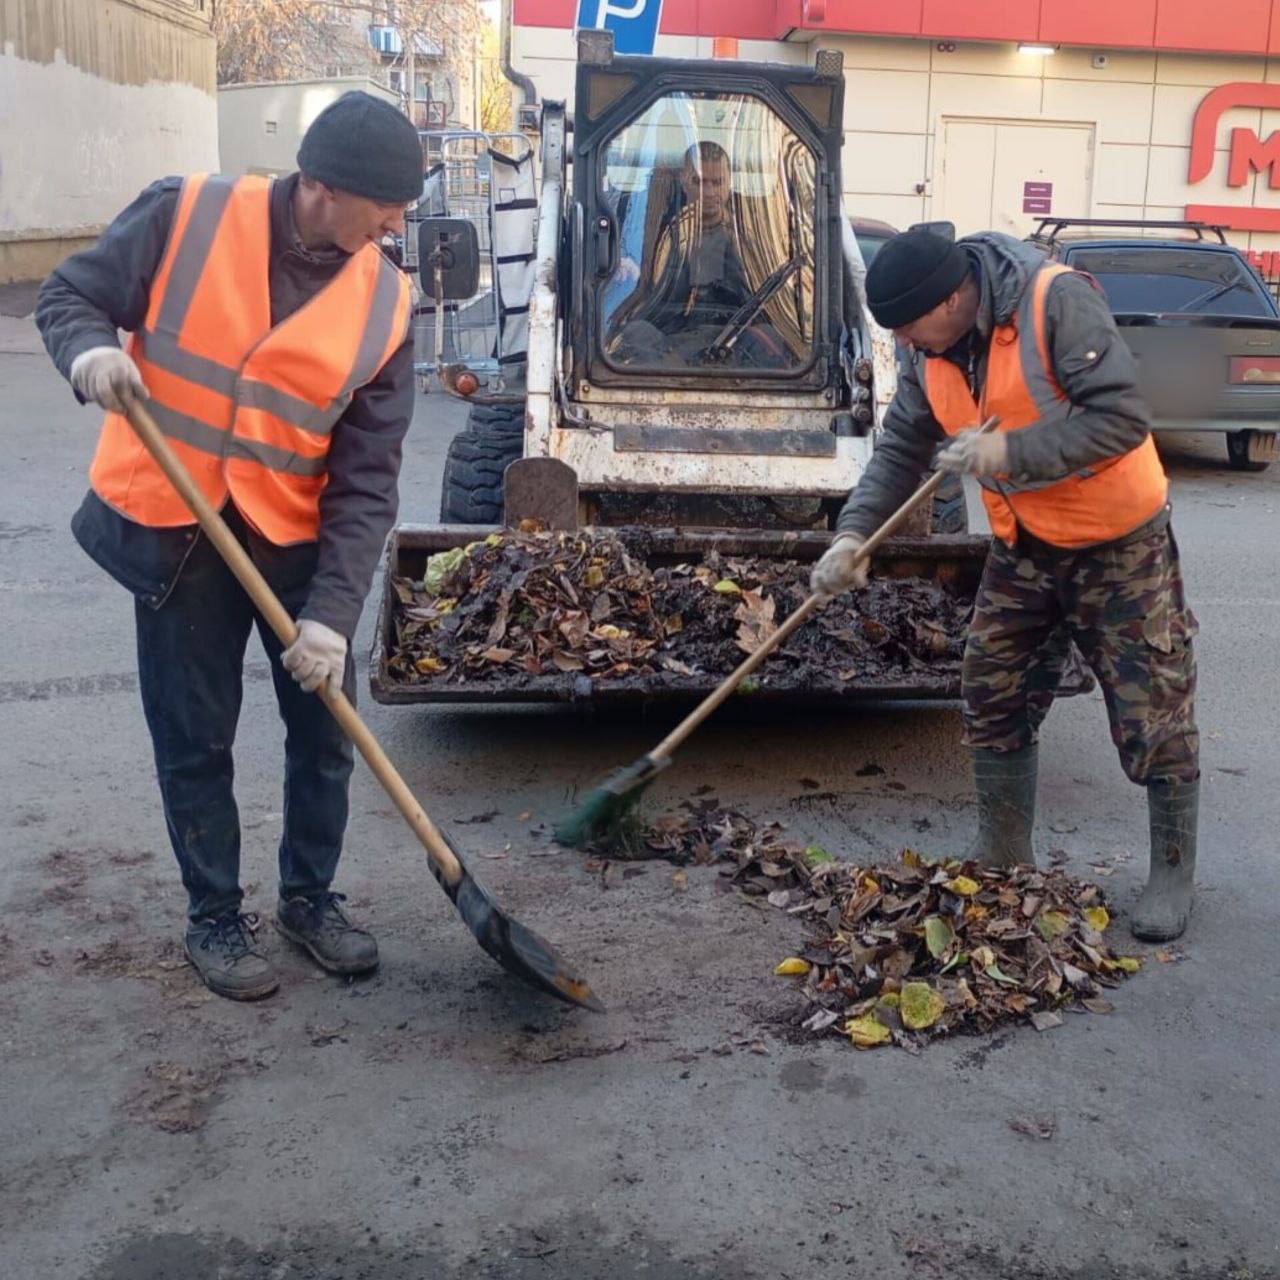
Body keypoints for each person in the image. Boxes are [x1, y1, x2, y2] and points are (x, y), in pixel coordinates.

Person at [36, 92, 421, 998]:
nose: (400, 222)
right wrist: (88, 351)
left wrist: (332, 614)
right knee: (193, 737)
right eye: (387, 204)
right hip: (177, 530)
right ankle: (214, 918)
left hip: (290, 537)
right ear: (322, 187)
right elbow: (70, 293)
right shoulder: (186, 213)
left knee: (327, 731)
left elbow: (368, 478)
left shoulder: (387, 303)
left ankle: (309, 899)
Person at [811, 228, 1199, 942]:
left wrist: (1008, 451)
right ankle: (1003, 852)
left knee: (1153, 710)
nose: (904, 344)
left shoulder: (1057, 302)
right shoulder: (929, 349)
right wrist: (852, 535)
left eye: (909, 329)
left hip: (1119, 542)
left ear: (954, 298)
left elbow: (1123, 418)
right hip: (1027, 544)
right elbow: (901, 449)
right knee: (991, 688)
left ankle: (1172, 873)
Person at [606, 140, 752, 363]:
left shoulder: (743, 235)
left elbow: (753, 300)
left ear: (729, 183)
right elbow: (652, 295)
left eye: (717, 182)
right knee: (635, 332)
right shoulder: (668, 232)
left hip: (732, 340)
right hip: (673, 339)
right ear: (685, 182)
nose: (709, 192)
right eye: (699, 182)